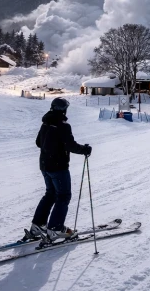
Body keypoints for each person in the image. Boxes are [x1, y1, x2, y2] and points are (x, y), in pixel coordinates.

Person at [29, 97, 91, 243]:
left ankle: (38, 225)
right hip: (58, 167)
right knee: (63, 196)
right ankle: (55, 229)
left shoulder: (46, 123)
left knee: (50, 194)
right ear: (63, 110)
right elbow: (70, 145)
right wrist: (85, 150)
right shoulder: (63, 125)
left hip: (45, 165)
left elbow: (38, 142)